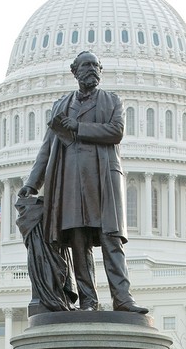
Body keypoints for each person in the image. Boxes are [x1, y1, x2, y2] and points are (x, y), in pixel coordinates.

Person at [18, 51, 148, 314]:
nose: (91, 70)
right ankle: (89, 301)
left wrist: (77, 127)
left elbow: (116, 131)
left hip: (103, 181)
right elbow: (47, 147)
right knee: (79, 244)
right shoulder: (60, 106)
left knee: (111, 240)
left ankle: (122, 297)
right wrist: (32, 183)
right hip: (70, 184)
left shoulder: (112, 101)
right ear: (74, 71)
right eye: (85, 66)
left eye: (95, 66)